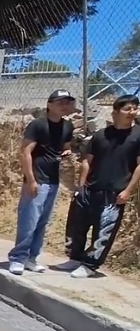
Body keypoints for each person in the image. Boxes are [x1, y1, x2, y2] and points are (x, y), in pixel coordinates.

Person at [60, 94, 140, 279]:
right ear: (115, 113)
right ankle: (74, 258)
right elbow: (87, 161)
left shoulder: (138, 135)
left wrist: (128, 190)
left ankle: (90, 265)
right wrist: (81, 186)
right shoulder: (101, 135)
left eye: (135, 108)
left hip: (115, 193)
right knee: (75, 226)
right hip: (89, 188)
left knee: (104, 230)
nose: (132, 112)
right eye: (127, 109)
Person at [7, 89, 76, 275]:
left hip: (53, 180)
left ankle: (31, 258)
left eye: (67, 102)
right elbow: (25, 152)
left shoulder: (67, 126)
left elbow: (65, 148)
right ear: (49, 104)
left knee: (42, 222)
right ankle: (18, 258)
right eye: (60, 102)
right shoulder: (37, 125)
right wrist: (31, 180)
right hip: (37, 179)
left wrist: (67, 153)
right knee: (28, 221)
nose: (64, 106)